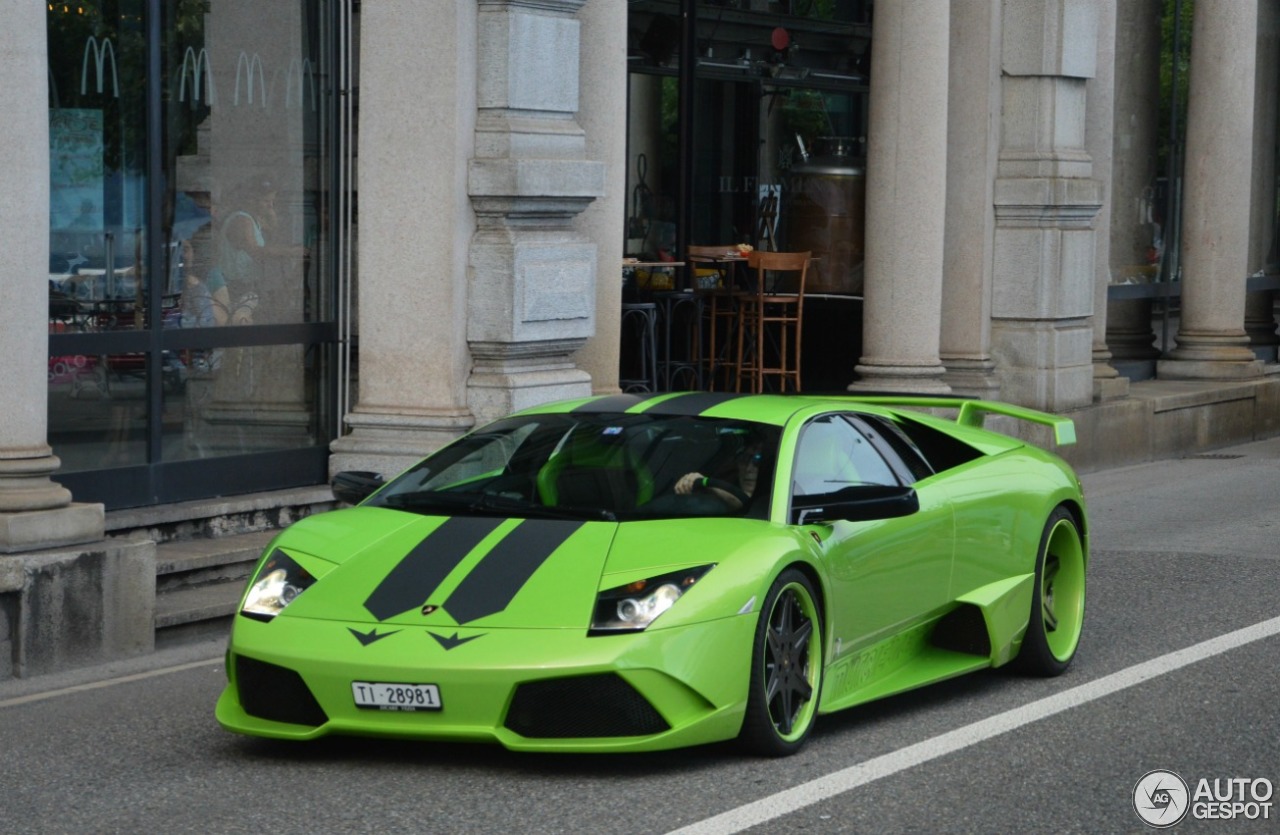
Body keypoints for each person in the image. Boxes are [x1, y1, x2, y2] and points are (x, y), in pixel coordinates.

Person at [674, 441, 762, 511]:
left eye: (757, 461)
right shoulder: (712, 506)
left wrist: (710, 485)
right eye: (744, 459)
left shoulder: (771, 509)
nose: (749, 469)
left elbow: (746, 504)